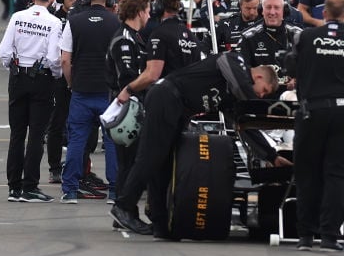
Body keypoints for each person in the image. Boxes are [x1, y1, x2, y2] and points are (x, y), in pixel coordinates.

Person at [110, 54, 279, 236]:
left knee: (165, 165)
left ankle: (161, 222)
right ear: (259, 77)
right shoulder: (235, 61)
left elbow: (244, 125)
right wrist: (253, 103)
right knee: (150, 157)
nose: (261, 95)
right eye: (264, 91)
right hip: (166, 96)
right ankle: (123, 207)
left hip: (180, 109)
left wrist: (272, 156)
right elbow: (228, 68)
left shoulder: (233, 95)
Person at [0, 0, 64, 203]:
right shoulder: (54, 22)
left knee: (17, 134)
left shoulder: (18, 17)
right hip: (41, 79)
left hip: (18, 76)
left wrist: (14, 68)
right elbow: (55, 59)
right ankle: (30, 187)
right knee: (36, 135)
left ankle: (13, 187)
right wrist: (54, 75)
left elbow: (4, 51)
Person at [289, 0, 344, 251]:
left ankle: (305, 237)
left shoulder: (305, 37)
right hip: (341, 114)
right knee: (336, 174)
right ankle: (330, 236)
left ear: (325, 14)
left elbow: (290, 69)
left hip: (311, 112)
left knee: (306, 173)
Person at [58, 0, 121, 203]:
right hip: (108, 93)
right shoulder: (116, 22)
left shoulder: (73, 22)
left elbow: (65, 59)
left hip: (82, 91)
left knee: (77, 140)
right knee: (112, 141)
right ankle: (114, 191)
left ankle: (70, 191)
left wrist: (71, 83)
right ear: (110, 0)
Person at [106, 0, 152, 209]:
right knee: (128, 162)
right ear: (140, 11)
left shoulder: (135, 37)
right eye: (148, 11)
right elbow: (128, 77)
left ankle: (124, 209)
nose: (150, 16)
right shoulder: (124, 40)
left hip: (135, 105)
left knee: (133, 162)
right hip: (127, 109)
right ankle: (123, 210)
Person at [238, 0, 302, 68]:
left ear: (284, 11)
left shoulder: (300, 36)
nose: (272, 12)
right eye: (268, 7)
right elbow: (242, 73)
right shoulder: (248, 37)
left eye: (276, 7)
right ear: (261, 10)